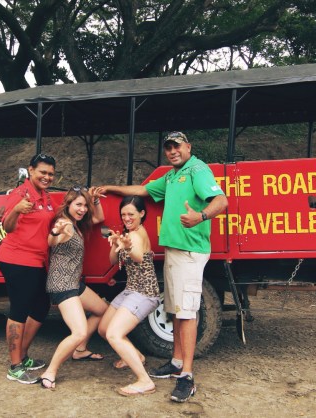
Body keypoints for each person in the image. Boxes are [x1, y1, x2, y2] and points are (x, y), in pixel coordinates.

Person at [102, 131, 228, 402]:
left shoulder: (198, 169)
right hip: (173, 252)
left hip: (190, 252)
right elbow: (142, 191)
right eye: (168, 147)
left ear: (188, 147)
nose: (172, 151)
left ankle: (187, 377)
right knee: (174, 310)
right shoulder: (171, 176)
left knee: (186, 313)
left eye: (176, 146)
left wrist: (200, 216)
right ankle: (176, 362)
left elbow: (222, 201)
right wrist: (111, 189)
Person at [38, 186, 109, 390]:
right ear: (68, 204)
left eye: (85, 205)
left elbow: (100, 218)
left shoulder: (77, 224)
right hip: (62, 285)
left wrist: (94, 200)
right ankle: (50, 372)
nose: (83, 209)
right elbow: (52, 241)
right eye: (78, 204)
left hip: (74, 282)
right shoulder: (65, 224)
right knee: (78, 331)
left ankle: (80, 350)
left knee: (102, 310)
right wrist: (55, 232)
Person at [0, 153, 58, 384]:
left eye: (51, 174)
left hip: (37, 260)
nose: (47, 177)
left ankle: (22, 355)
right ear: (30, 170)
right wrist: (16, 210)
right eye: (43, 172)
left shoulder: (45, 195)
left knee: (41, 305)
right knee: (20, 310)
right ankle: (15, 366)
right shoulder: (19, 194)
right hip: (17, 259)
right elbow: (7, 227)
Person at [98, 196, 160, 397]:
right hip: (131, 290)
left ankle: (145, 381)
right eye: (123, 214)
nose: (126, 218)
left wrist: (128, 247)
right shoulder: (127, 235)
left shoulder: (137, 235)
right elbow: (112, 260)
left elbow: (139, 256)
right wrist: (116, 244)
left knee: (114, 334)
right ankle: (136, 356)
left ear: (141, 214)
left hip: (144, 292)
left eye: (131, 214)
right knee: (104, 328)